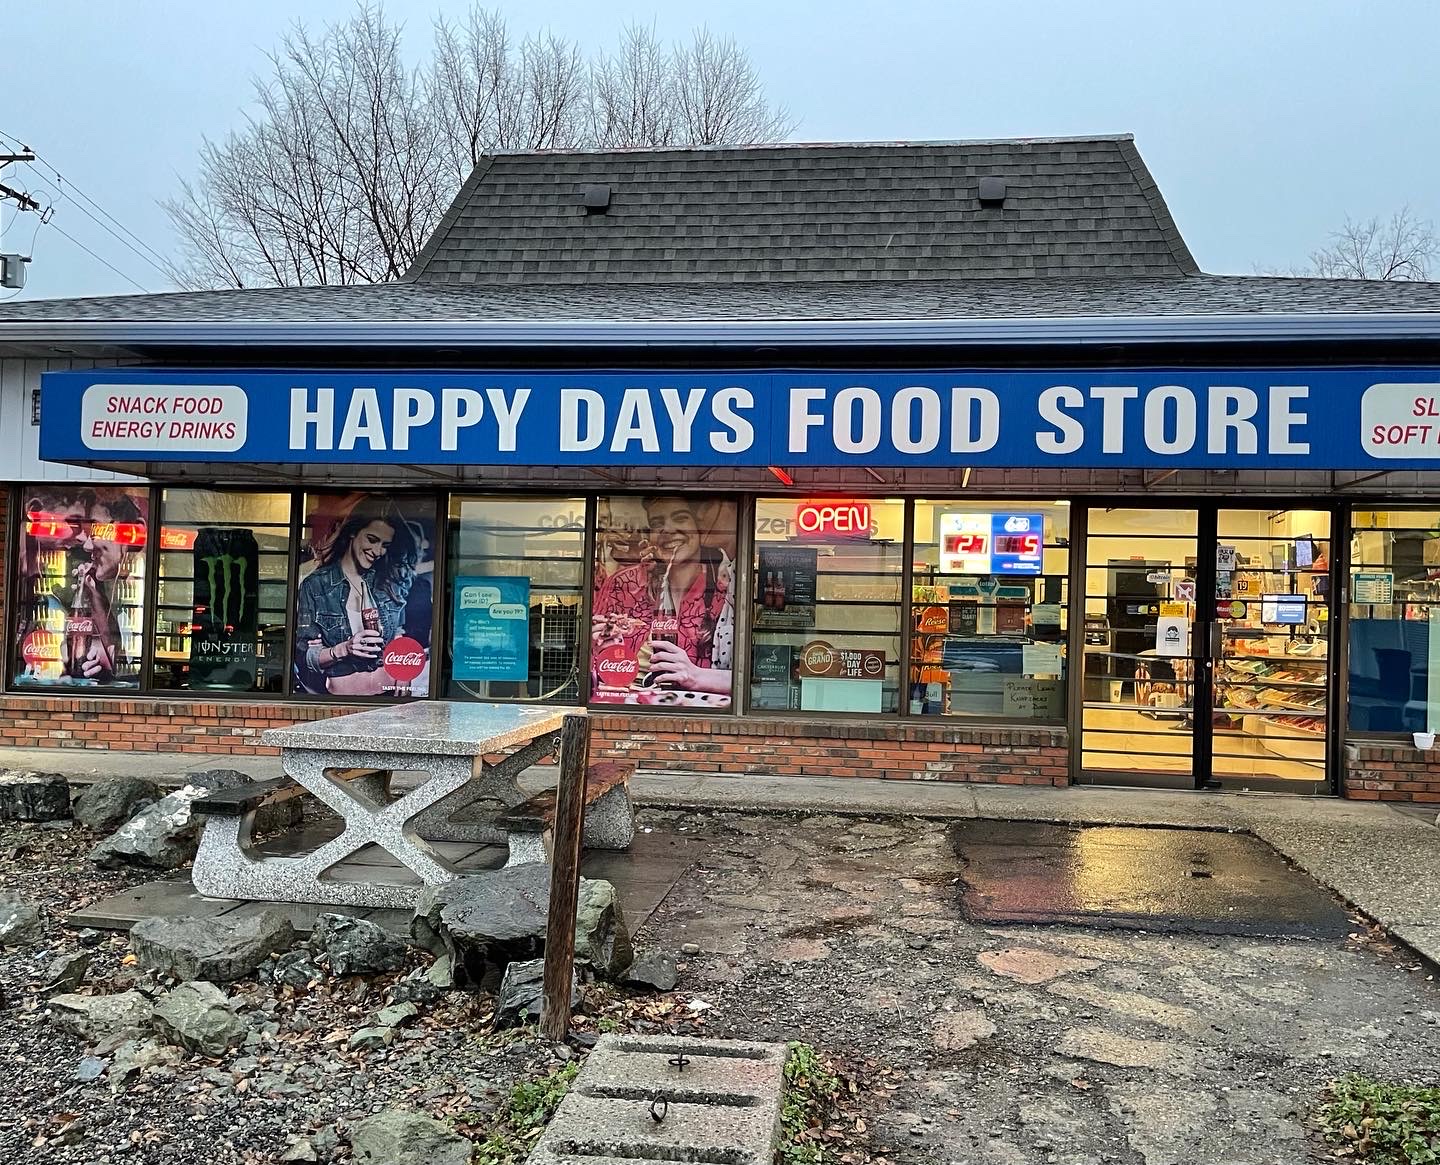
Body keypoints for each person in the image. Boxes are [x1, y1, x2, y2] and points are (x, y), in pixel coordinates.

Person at [591, 495, 733, 696]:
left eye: (681, 518)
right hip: (627, 707)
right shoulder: (623, 584)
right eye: (657, 523)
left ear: (699, 529)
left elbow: (744, 681)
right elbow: (592, 666)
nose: (667, 529)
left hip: (696, 713)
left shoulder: (722, 592)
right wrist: (601, 648)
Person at [295, 497, 418, 695]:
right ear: (353, 531)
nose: (377, 551)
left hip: (389, 697)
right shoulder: (316, 586)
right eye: (372, 539)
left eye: (385, 545)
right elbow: (304, 655)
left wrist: (404, 673)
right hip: (339, 702)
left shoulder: (387, 583)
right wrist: (345, 648)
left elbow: (398, 637)